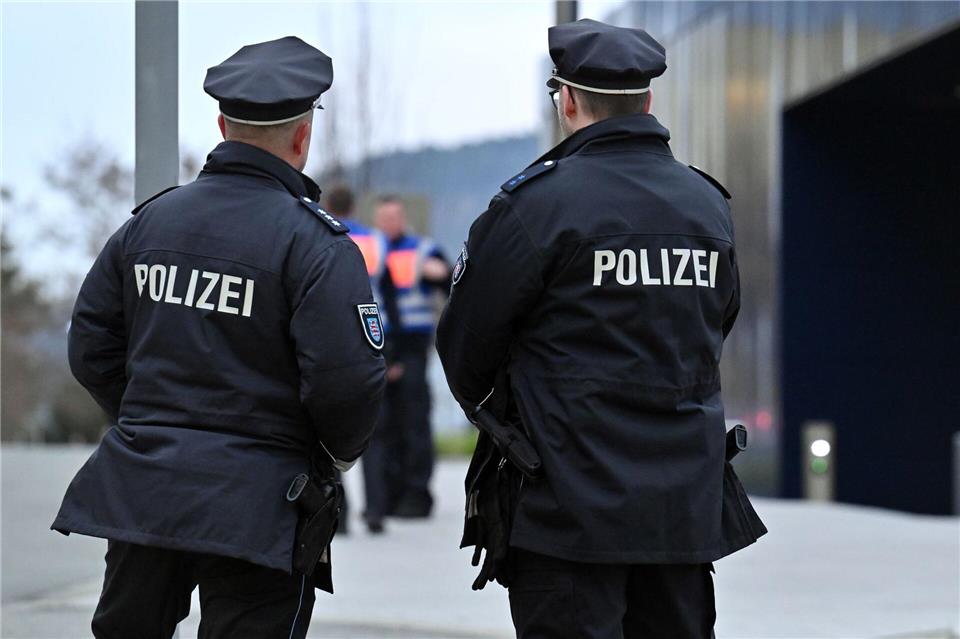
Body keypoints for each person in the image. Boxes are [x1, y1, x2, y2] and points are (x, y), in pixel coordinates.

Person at [436, 19, 766, 639]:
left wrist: (520, 424)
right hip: (681, 511)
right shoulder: (705, 205)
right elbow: (717, 325)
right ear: (647, 101)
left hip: (567, 512)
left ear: (565, 99)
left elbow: (464, 350)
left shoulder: (534, 205)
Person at [52, 36, 386, 639]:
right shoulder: (315, 245)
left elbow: (91, 344)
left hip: (144, 490)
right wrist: (328, 459)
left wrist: (151, 417)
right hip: (261, 502)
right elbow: (347, 381)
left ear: (223, 124)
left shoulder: (152, 222)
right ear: (303, 135)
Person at [322, 185, 400, 534]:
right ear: (355, 206)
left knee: (329, 427)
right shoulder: (377, 242)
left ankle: (338, 513)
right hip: (373, 337)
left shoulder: (319, 233)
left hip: (335, 339)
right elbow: (392, 294)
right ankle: (376, 511)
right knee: (376, 432)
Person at [374, 196, 450, 518]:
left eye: (394, 217)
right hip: (380, 347)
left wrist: (426, 269)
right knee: (384, 424)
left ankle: (417, 495)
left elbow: (446, 276)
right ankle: (388, 496)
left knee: (414, 421)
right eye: (384, 218)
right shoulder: (371, 250)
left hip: (413, 346)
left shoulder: (421, 248)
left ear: (402, 217)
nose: (390, 223)